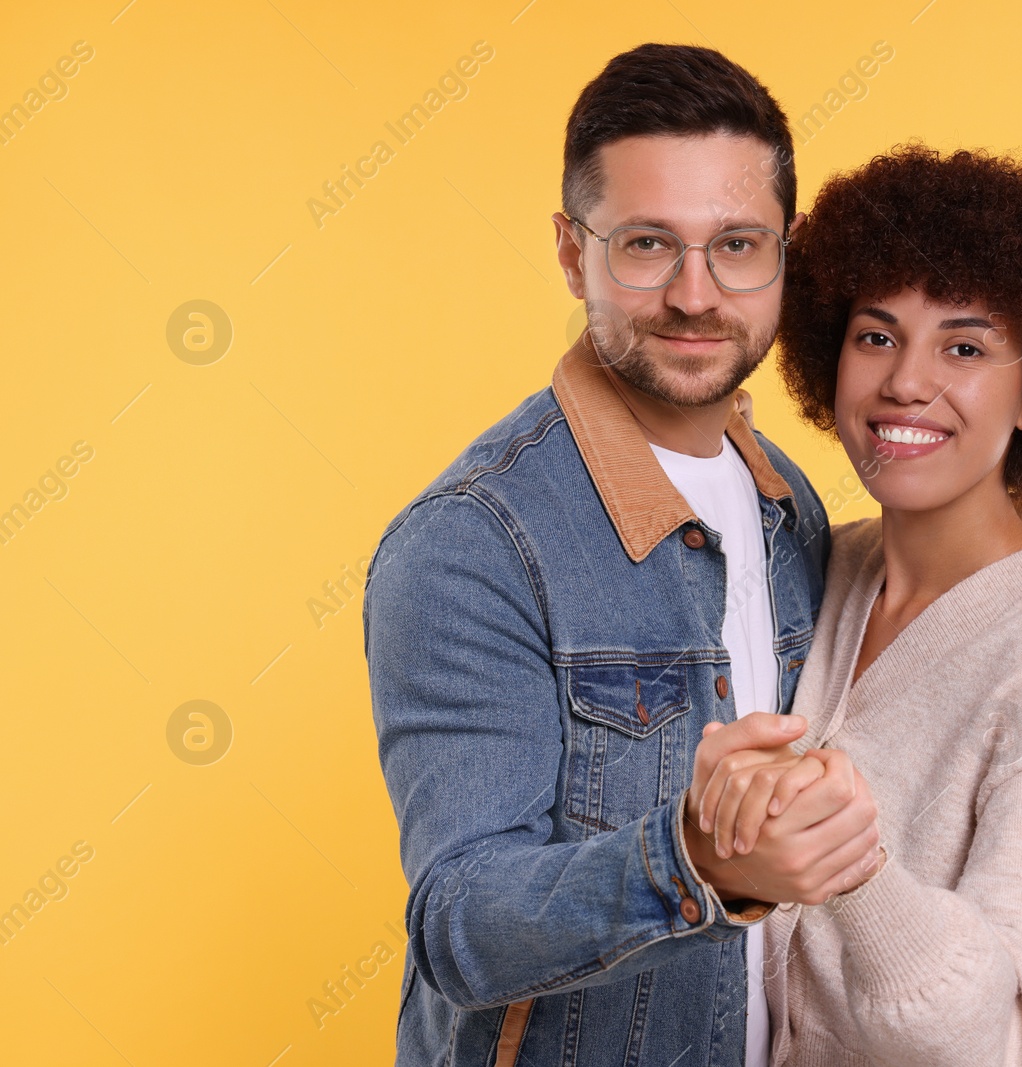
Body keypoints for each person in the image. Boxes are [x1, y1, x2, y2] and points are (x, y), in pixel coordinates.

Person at [363, 44, 880, 1067]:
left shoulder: (793, 506)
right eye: (648, 244)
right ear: (571, 250)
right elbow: (460, 926)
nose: (696, 293)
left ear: (788, 248)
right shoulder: (472, 542)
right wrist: (688, 852)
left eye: (736, 244)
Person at [692, 144, 1022, 1065]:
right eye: (875, 335)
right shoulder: (836, 565)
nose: (906, 380)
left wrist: (856, 869)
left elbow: (1005, 1036)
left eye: (966, 346)